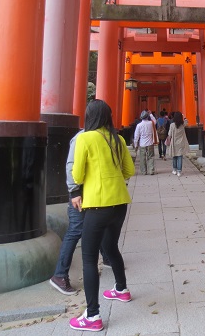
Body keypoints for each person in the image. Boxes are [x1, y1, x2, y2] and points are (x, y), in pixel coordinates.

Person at [68, 99, 135, 332]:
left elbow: (76, 174)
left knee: (88, 258)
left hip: (97, 204)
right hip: (120, 202)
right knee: (111, 246)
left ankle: (93, 315)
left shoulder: (85, 138)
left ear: (89, 116)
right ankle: (121, 289)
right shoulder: (118, 139)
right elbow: (130, 171)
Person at [49, 129, 111, 296]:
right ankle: (60, 275)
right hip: (80, 192)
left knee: (99, 223)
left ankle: (107, 256)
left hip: (92, 191)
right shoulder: (80, 137)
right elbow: (71, 167)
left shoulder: (99, 135)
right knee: (76, 229)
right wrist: (75, 192)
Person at [166, 111, 190, 177]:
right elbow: (186, 121)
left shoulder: (172, 125)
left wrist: (168, 140)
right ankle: (179, 171)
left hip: (174, 143)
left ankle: (174, 170)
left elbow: (169, 134)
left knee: (174, 156)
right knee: (180, 157)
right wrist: (184, 116)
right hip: (181, 143)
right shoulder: (182, 125)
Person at [133, 110, 156, 175]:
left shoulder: (139, 125)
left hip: (142, 144)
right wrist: (151, 114)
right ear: (147, 117)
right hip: (150, 143)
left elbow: (136, 136)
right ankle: (151, 170)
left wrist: (135, 145)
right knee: (151, 157)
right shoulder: (151, 123)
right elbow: (155, 121)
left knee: (142, 158)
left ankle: (144, 171)